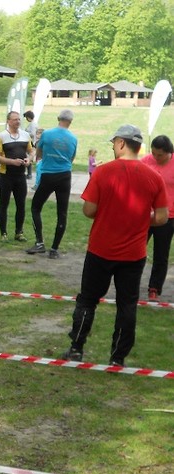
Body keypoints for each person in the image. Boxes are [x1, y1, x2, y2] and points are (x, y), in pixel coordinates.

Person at [61, 125, 168, 367]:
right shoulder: (154, 177)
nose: (112, 147)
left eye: (113, 143)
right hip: (133, 254)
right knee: (127, 304)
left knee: (88, 299)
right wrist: (140, 217)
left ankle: (76, 348)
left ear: (121, 143)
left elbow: (88, 210)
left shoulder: (102, 172)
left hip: (101, 249)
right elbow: (161, 217)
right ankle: (118, 357)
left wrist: (110, 213)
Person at [26, 109, 78, 259]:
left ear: (58, 118)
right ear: (70, 122)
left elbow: (39, 151)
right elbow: (72, 158)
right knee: (62, 213)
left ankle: (39, 243)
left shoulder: (47, 134)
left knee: (36, 207)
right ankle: (54, 249)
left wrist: (46, 160)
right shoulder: (73, 138)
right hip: (65, 176)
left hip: (48, 175)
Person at [0, 111, 34, 242]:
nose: (18, 122)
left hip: (20, 176)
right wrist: (11, 162)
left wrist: (29, 159)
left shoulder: (26, 135)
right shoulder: (1, 137)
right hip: (6, 175)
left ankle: (19, 232)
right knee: (4, 204)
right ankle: (3, 233)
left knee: (21, 204)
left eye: (19, 120)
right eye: (15, 120)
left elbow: (31, 151)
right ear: (8, 121)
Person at [141, 134, 174, 300]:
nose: (156, 157)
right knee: (136, 250)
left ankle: (154, 288)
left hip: (168, 217)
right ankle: (129, 282)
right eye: (154, 153)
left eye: (159, 155)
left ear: (170, 152)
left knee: (161, 254)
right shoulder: (146, 161)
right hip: (145, 215)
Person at [23, 110, 37, 179]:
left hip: (31, 143)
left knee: (29, 157)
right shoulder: (32, 124)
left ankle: (29, 174)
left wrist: (24, 133)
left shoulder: (33, 124)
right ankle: (29, 173)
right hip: (30, 142)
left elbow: (33, 133)